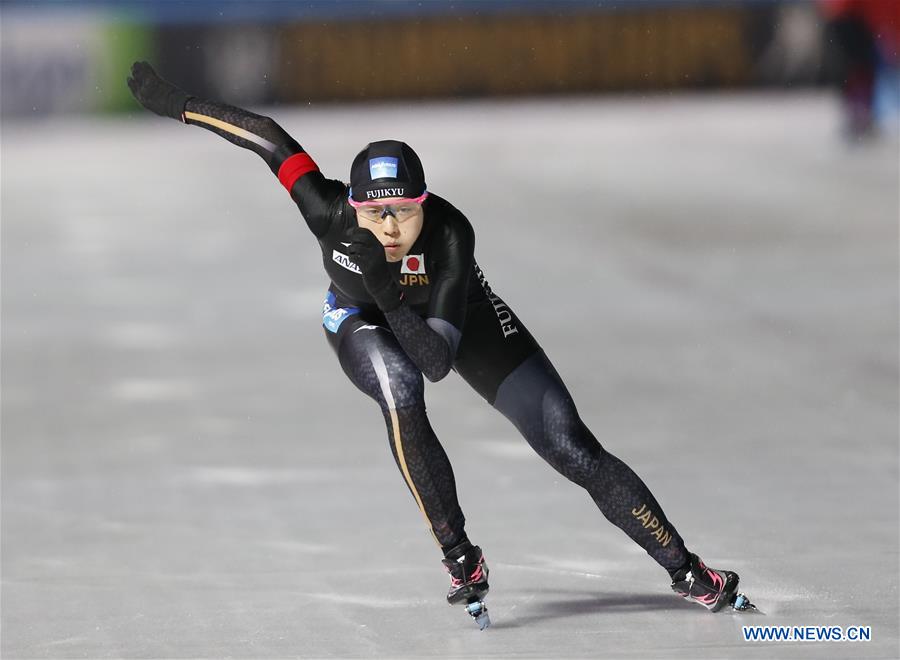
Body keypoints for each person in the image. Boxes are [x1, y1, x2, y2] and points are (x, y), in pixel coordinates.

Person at [126, 61, 753, 628]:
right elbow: (266, 135)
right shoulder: (326, 209)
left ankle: (686, 568)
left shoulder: (451, 235)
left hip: (458, 323)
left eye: (405, 210)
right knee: (398, 391)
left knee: (571, 445)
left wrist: (389, 286)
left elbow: (438, 362)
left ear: (427, 204)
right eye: (377, 215)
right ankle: (460, 555)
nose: (392, 227)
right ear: (352, 206)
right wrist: (179, 103)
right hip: (358, 318)